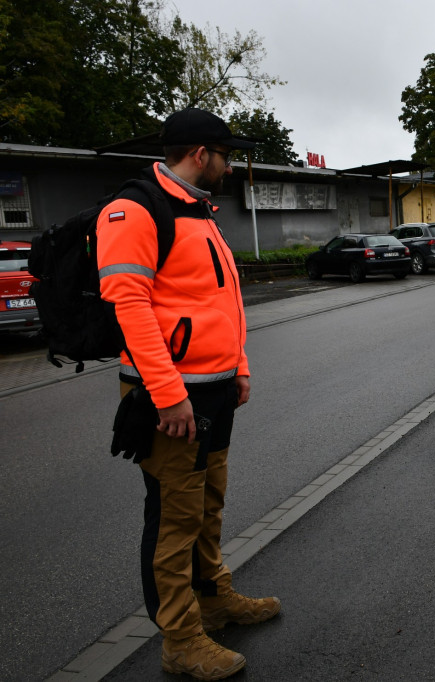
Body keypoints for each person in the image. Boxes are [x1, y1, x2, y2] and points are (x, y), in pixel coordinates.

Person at [97, 108, 279, 681]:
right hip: (170, 398)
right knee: (175, 517)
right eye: (226, 155)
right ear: (201, 154)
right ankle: (180, 638)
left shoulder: (198, 212)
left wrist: (239, 366)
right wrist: (167, 393)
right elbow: (130, 308)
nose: (229, 166)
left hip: (216, 390)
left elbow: (221, 301)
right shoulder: (135, 209)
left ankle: (215, 598)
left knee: (208, 503)